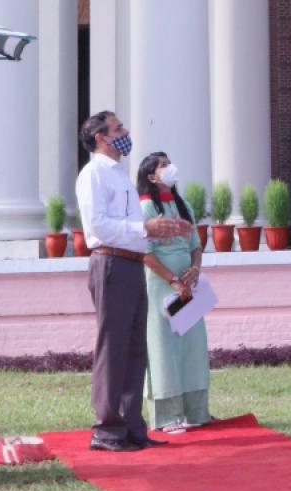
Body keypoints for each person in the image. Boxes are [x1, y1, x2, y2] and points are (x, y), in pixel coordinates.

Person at [76, 111, 192, 452]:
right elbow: (97, 226)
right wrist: (144, 228)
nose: (126, 132)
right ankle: (107, 429)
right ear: (101, 137)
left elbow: (134, 228)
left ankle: (131, 427)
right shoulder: (94, 174)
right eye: (118, 128)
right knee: (113, 347)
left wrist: (160, 229)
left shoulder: (118, 174)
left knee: (133, 348)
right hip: (111, 262)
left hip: (131, 263)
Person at [136, 152, 212, 434]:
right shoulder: (144, 208)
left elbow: (195, 245)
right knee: (163, 346)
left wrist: (194, 269)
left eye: (169, 163)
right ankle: (167, 416)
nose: (170, 168)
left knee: (193, 345)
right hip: (161, 286)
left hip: (187, 286)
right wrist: (173, 280)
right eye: (163, 166)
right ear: (151, 176)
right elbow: (144, 253)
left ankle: (196, 411)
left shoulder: (183, 205)